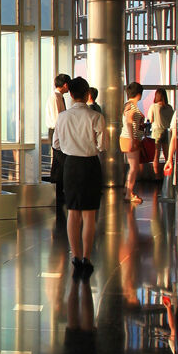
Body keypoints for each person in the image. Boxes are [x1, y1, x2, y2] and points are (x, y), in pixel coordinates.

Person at [52, 76, 106, 279]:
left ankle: (75, 256)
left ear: (71, 94)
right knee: (89, 214)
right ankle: (87, 257)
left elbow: (56, 144)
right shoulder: (95, 117)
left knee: (73, 212)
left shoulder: (63, 117)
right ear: (87, 94)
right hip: (90, 165)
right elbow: (103, 146)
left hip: (71, 166)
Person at [46, 73, 71, 206]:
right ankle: (58, 192)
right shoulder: (55, 98)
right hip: (57, 130)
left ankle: (58, 191)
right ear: (65, 85)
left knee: (58, 160)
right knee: (60, 160)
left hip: (57, 130)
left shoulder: (57, 97)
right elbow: (57, 119)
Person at [120, 81, 145, 204]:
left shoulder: (128, 104)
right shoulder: (131, 106)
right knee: (134, 167)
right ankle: (129, 194)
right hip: (130, 139)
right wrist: (132, 139)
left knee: (132, 167)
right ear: (139, 94)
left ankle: (127, 190)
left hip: (129, 138)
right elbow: (129, 122)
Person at [146, 88, 174, 177]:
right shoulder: (169, 107)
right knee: (167, 155)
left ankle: (157, 176)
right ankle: (168, 176)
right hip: (167, 131)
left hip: (157, 131)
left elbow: (150, 119)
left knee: (156, 155)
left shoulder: (153, 106)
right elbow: (172, 120)